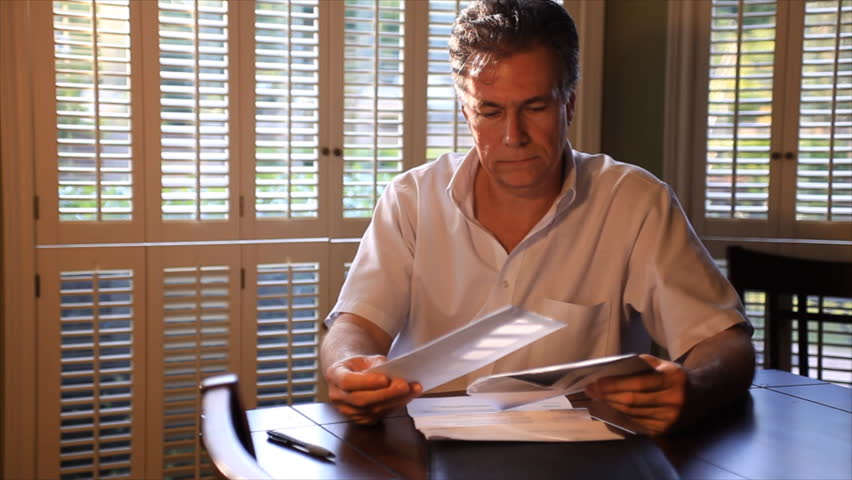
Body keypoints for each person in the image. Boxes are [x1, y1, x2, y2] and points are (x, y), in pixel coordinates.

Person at [321, 0, 755, 435]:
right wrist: (346, 368)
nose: (514, 137)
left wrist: (694, 389)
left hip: (585, 462)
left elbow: (723, 340)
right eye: (490, 112)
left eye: (535, 107)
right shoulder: (411, 199)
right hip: (420, 452)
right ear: (466, 112)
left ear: (568, 104)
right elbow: (356, 324)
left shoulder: (635, 201)